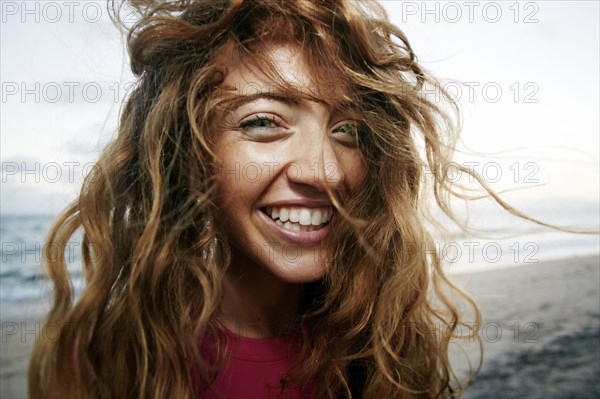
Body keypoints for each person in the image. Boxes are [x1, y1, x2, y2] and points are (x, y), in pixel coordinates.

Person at [28, 0, 496, 397]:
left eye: (347, 130)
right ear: (188, 153)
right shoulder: (105, 360)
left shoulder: (384, 344)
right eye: (263, 122)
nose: (326, 170)